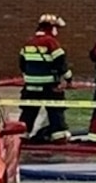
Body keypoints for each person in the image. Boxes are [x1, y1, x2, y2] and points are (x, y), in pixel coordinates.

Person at [18, 13, 71, 141]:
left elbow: (22, 64)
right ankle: (59, 136)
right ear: (50, 28)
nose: (56, 31)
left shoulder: (28, 43)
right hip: (49, 85)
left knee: (28, 112)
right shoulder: (51, 42)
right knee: (55, 111)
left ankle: (22, 135)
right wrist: (68, 78)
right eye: (56, 28)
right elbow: (61, 63)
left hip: (30, 86)